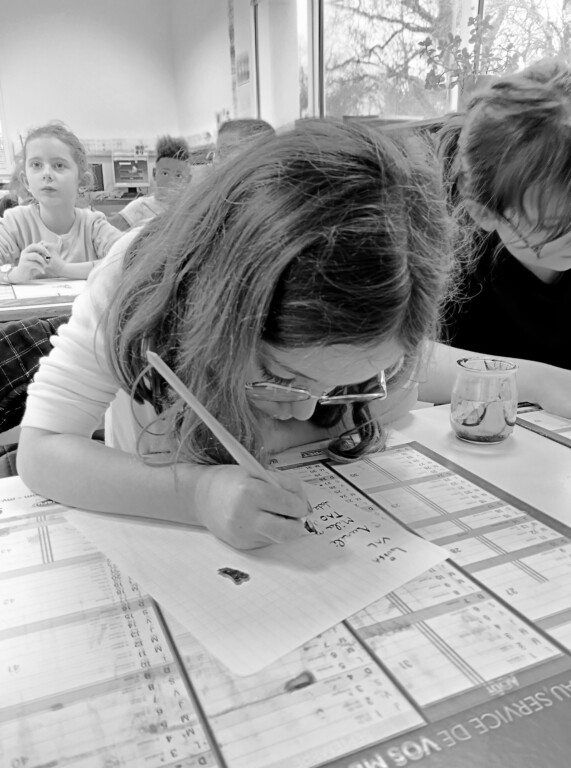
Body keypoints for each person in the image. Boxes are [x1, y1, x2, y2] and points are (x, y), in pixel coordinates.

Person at [17, 119, 456, 551]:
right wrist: (197, 495)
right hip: (166, 550)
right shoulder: (135, 279)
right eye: (281, 377)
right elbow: (41, 451)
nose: (306, 409)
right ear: (221, 313)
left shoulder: (386, 309)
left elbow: (414, 380)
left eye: (344, 386)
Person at [435, 58, 571, 371]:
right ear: (483, 212)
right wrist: (544, 382)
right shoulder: (453, 266)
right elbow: (407, 363)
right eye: (556, 226)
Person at [0, 122, 122, 284]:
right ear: (26, 181)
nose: (47, 174)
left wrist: (64, 269)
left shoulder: (93, 225)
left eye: (59, 165)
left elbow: (129, 259)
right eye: (36, 165)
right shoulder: (14, 224)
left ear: (82, 181)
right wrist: (15, 274)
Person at [108, 135, 191, 231]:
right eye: (165, 173)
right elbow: (109, 227)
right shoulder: (141, 207)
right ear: (154, 174)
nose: (171, 181)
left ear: (188, 180)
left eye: (178, 175)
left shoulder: (190, 209)